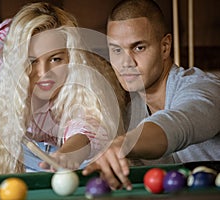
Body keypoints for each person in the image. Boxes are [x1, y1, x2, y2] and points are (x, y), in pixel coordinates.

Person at [82, 0, 220, 190]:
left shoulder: (204, 89)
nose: (126, 62)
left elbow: (177, 124)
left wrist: (124, 143)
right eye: (116, 50)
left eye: (139, 47)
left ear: (165, 46)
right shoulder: (130, 114)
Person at [0, 2, 126, 174]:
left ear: (72, 59)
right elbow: (0, 49)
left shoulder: (80, 91)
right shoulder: (9, 71)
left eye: (56, 59)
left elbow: (88, 127)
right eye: (32, 61)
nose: (44, 73)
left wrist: (68, 153)